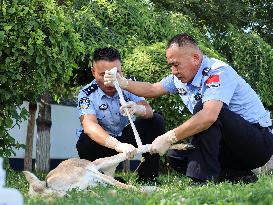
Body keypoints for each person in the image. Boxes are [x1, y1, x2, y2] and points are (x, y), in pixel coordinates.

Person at [104, 33, 273, 183]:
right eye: (170, 65)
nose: (173, 70)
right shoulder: (178, 78)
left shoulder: (217, 72)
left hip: (257, 144)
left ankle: (202, 180)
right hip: (228, 147)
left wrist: (169, 137)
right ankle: (237, 175)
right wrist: (123, 83)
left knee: (206, 109)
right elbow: (153, 88)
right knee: (176, 157)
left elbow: (209, 116)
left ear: (195, 58)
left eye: (176, 64)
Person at [76, 47, 165, 183]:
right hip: (104, 143)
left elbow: (148, 111)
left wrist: (138, 108)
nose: (110, 81)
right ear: (93, 72)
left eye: (115, 73)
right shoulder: (86, 94)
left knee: (156, 120)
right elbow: (89, 126)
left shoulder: (128, 85)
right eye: (103, 75)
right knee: (84, 141)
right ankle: (101, 179)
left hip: (126, 138)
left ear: (121, 70)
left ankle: (148, 177)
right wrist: (117, 145)